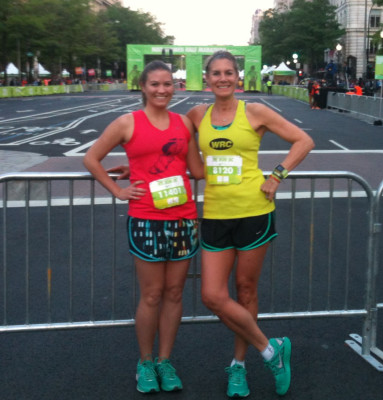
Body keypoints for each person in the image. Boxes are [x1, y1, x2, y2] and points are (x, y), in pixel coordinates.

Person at [186, 51, 314, 398]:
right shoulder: (197, 115)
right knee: (212, 295)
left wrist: (276, 176)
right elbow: (188, 164)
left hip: (254, 211)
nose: (223, 78)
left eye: (229, 72)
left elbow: (303, 140)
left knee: (245, 291)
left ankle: (239, 367)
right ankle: (272, 351)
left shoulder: (254, 111)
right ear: (207, 79)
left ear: (237, 77)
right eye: (216, 73)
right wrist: (137, 170)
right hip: (215, 212)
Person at [83, 60, 204, 394]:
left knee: (175, 293)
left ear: (174, 86)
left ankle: (165, 360)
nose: (162, 90)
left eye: (168, 84)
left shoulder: (183, 124)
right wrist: (118, 190)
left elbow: (196, 170)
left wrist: (229, 146)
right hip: (146, 218)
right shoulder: (127, 122)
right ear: (143, 87)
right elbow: (91, 158)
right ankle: (146, 362)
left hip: (183, 217)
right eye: (155, 84)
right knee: (151, 294)